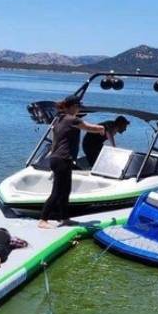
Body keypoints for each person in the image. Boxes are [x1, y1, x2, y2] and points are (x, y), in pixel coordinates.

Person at [38, 95, 110, 228]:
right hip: (62, 159)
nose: (79, 109)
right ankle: (43, 219)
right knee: (58, 191)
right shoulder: (72, 120)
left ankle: (64, 218)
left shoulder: (59, 119)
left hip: (59, 158)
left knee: (66, 190)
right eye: (78, 106)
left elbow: (55, 140)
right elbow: (89, 128)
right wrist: (101, 128)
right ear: (73, 106)